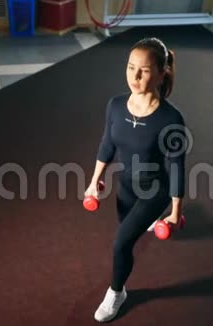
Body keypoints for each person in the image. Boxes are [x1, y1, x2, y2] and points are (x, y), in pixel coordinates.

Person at [84, 37, 187, 322]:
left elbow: (177, 166)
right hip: (126, 186)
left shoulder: (171, 119)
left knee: (120, 243)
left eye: (143, 70)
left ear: (161, 73)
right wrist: (95, 181)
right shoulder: (115, 105)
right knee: (127, 228)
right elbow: (107, 145)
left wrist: (175, 213)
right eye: (130, 68)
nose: (135, 76)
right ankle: (147, 222)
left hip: (156, 190)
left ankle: (117, 293)